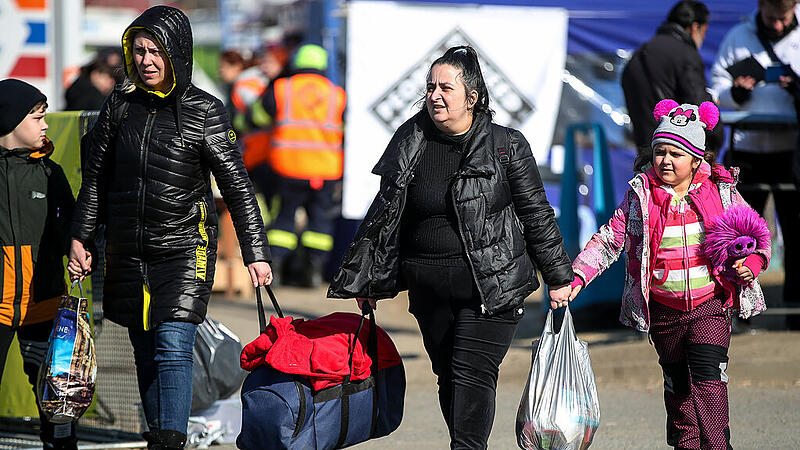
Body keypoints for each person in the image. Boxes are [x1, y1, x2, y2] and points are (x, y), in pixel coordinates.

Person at [328, 46, 573, 449]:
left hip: (491, 286)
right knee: (448, 376)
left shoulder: (506, 145)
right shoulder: (412, 137)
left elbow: (536, 213)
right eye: (430, 87)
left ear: (472, 98)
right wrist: (367, 278)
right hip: (429, 288)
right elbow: (385, 215)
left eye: (446, 87)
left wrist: (559, 276)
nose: (435, 96)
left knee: (471, 374)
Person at [66, 6, 271, 449]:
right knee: (145, 352)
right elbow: (96, 178)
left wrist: (256, 252)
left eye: (156, 50)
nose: (146, 60)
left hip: (184, 249)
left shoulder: (205, 111)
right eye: (139, 50)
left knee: (173, 347)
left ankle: (171, 441)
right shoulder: (119, 105)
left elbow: (237, 185)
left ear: (176, 52)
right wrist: (81, 238)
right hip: (128, 250)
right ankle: (159, 434)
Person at [565, 100, 770, 450]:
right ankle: (686, 444)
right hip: (662, 312)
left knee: (709, 381)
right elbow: (609, 239)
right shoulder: (640, 196)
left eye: (676, 154)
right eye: (660, 152)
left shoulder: (720, 192)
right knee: (678, 386)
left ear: (697, 159)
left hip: (710, 306)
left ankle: (718, 445)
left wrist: (749, 265)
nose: (666, 161)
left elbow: (757, 236)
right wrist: (577, 277)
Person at [709, 0, 800, 329]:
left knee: (796, 233)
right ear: (760, 7)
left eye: (784, 18)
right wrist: (736, 93)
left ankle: (795, 312)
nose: (777, 25)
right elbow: (715, 87)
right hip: (746, 150)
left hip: (791, 151)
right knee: (738, 235)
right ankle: (735, 312)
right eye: (771, 17)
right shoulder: (737, 36)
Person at [0, 79, 78, 449]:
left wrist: (81, 249)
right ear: (10, 121)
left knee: (57, 395)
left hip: (44, 304)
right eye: (37, 117)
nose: (45, 125)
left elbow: (71, 229)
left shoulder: (51, 173)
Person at [248, 44, 346, 286]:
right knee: (320, 222)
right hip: (326, 170)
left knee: (284, 219)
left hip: (289, 167)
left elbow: (257, 118)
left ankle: (277, 271)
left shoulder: (282, 89)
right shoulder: (338, 94)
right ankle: (312, 272)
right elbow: (344, 128)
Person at [622, 1, 722, 170]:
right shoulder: (685, 54)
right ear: (695, 27)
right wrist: (715, 140)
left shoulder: (639, 54)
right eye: (704, 32)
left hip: (649, 156)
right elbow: (698, 102)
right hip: (678, 158)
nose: (703, 38)